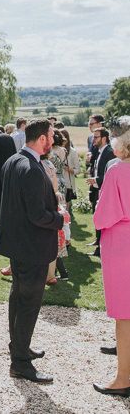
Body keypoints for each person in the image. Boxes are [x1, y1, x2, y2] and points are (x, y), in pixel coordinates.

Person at [0, 118, 64, 383]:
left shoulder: (14, 161)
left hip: (18, 243)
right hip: (31, 245)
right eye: (51, 135)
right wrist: (60, 219)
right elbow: (37, 215)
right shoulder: (32, 168)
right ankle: (21, 363)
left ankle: (19, 348)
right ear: (43, 138)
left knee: (18, 297)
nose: (53, 139)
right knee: (28, 304)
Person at [93, 117, 130, 396]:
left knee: (124, 315)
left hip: (121, 243)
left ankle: (123, 378)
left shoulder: (117, 171)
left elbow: (102, 217)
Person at [89, 127, 114, 256]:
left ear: (104, 138)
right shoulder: (100, 151)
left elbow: (111, 174)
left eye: (96, 137)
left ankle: (100, 248)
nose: (93, 139)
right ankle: (98, 242)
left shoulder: (109, 152)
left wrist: (96, 180)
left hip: (104, 190)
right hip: (97, 189)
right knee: (96, 216)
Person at [59, 128, 80, 207]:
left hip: (68, 184)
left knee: (66, 209)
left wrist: (69, 169)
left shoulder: (72, 151)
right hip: (57, 184)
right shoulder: (53, 151)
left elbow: (78, 170)